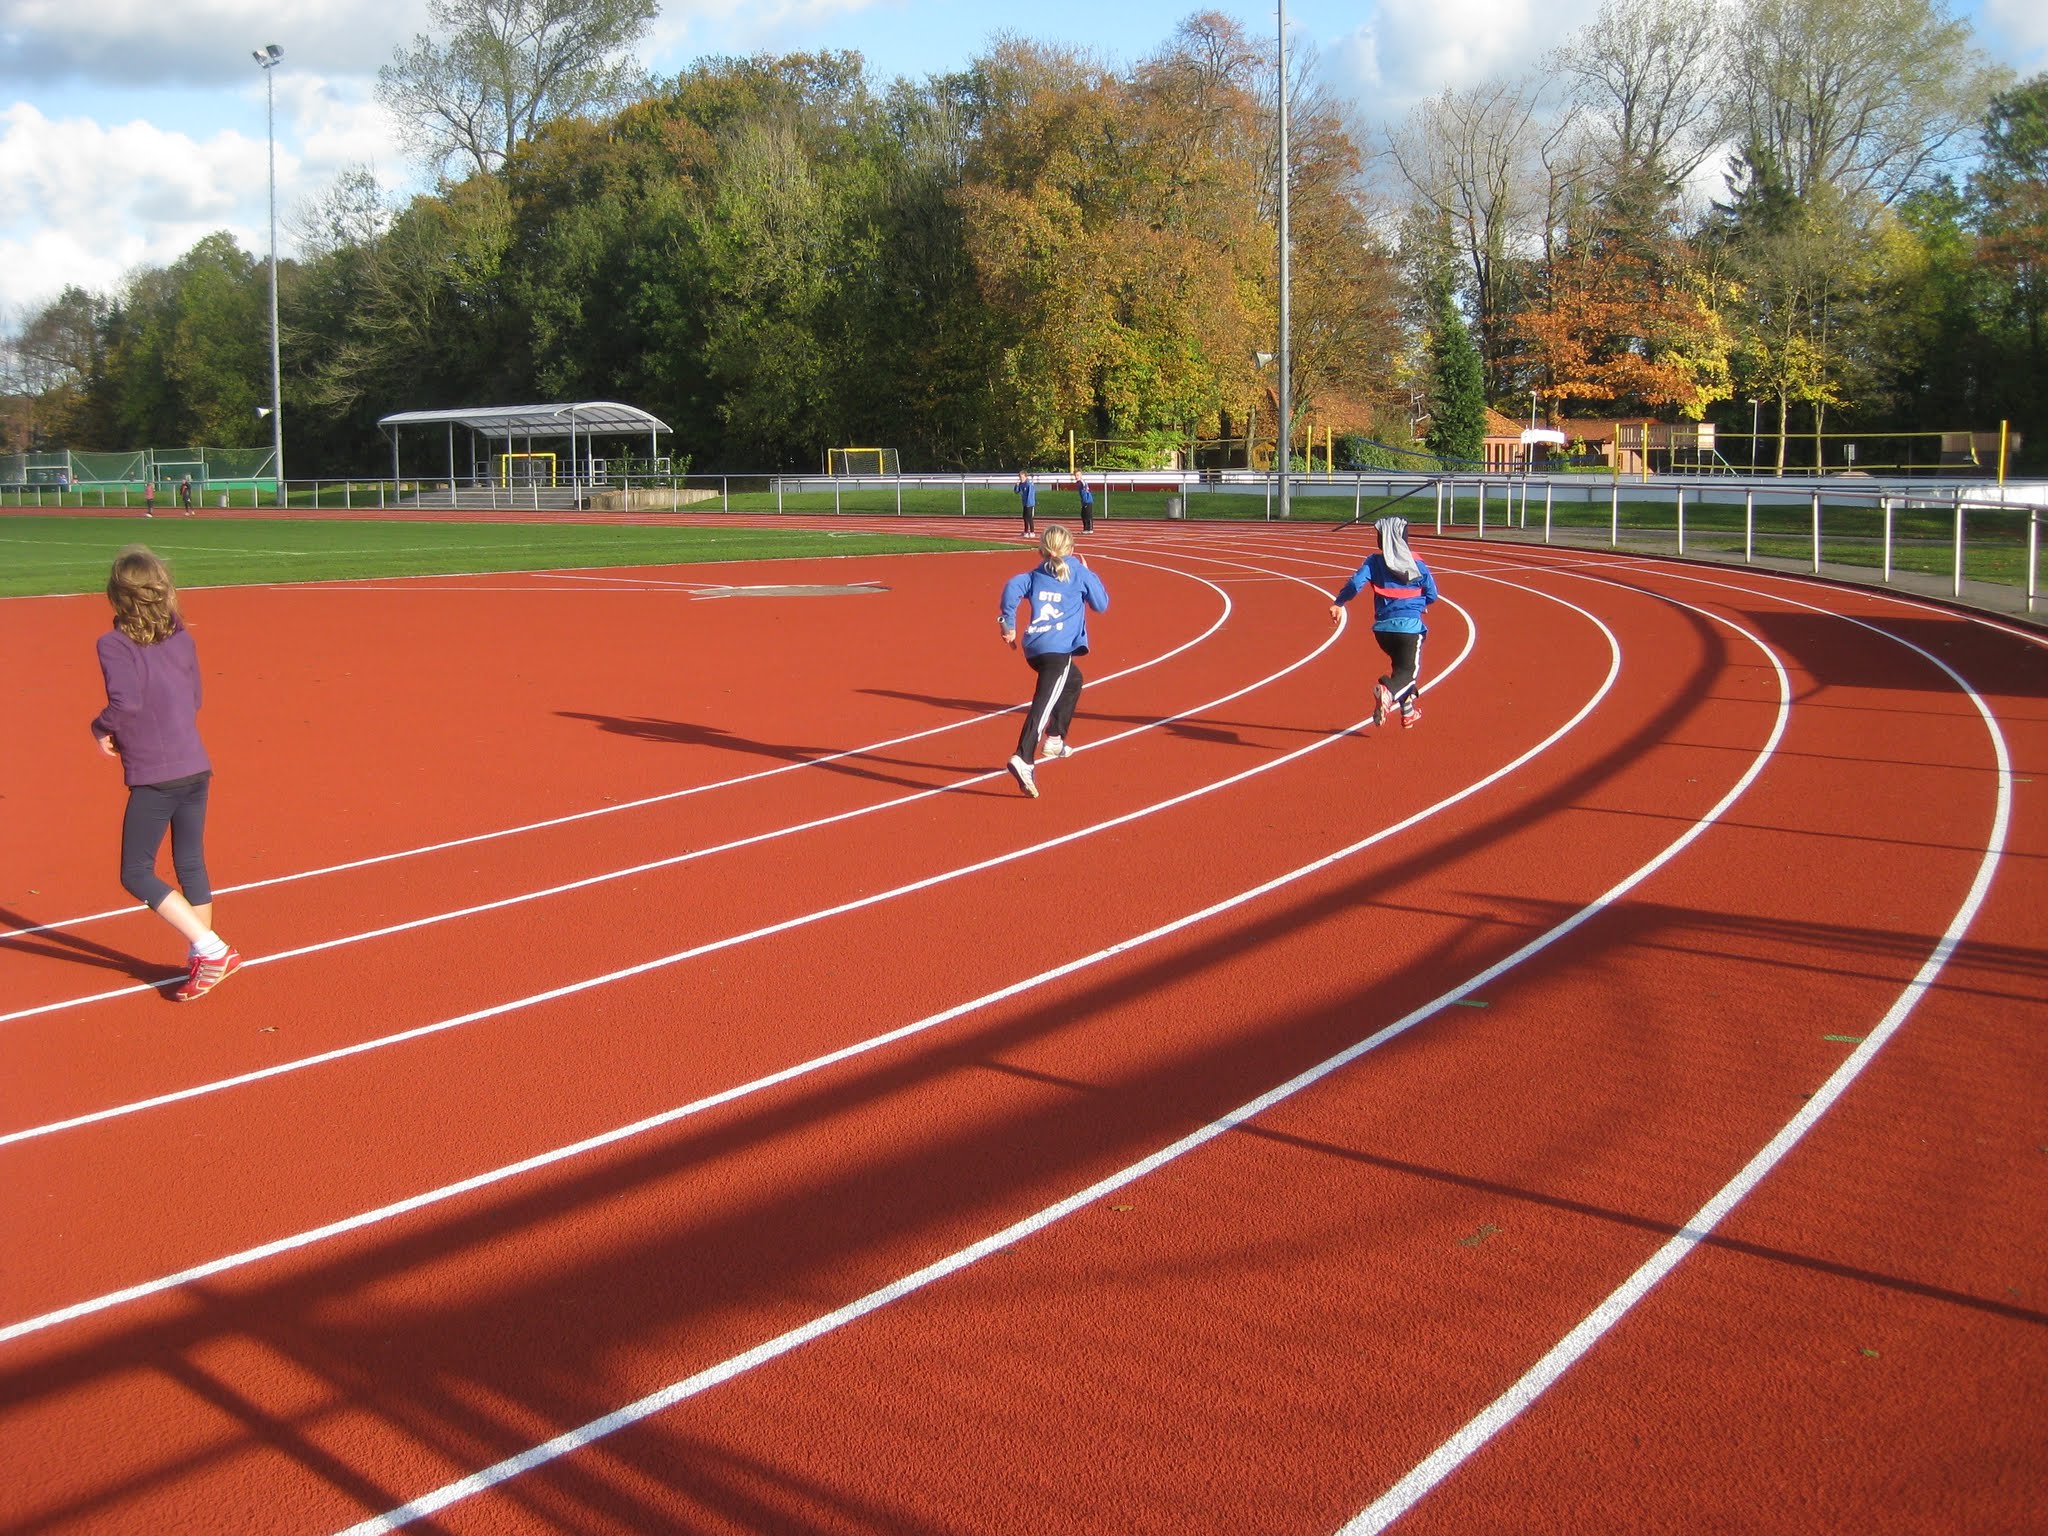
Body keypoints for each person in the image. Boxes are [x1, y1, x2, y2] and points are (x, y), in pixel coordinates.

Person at [90, 547, 242, 1000]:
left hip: (156, 775)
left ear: (117, 594)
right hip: (194, 764)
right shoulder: (181, 638)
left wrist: (101, 727)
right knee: (190, 862)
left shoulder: (114, 644)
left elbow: (126, 703)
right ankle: (204, 956)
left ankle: (211, 950)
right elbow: (194, 698)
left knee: (135, 872)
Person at [997, 525, 1110, 797]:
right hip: (1058, 650)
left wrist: (1008, 623)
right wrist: (1089, 573)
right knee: (1044, 702)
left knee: (1073, 681)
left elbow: (1013, 586)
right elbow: (1101, 604)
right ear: (1071, 548)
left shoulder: (1036, 574)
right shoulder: (1079, 573)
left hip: (1035, 648)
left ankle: (1055, 738)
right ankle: (1024, 757)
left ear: (1042, 550)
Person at [1329, 515, 1439, 729]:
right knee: (1407, 674)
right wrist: (1420, 603)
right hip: (1409, 630)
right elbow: (1433, 594)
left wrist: (1339, 603)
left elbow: (1355, 584)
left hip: (1383, 632)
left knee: (1401, 668)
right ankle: (1387, 691)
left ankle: (1408, 711)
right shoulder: (1417, 563)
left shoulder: (1373, 562)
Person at [1013, 470, 1037, 536]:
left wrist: (1029, 503)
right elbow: (1016, 491)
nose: (1021, 479)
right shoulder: (1021, 484)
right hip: (1025, 503)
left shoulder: (1029, 484)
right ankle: (1026, 531)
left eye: (1022, 477)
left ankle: (1032, 532)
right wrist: (1017, 485)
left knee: (1029, 517)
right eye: (1020, 477)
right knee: (1025, 517)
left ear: (1026, 477)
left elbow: (1031, 494)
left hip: (1029, 503)